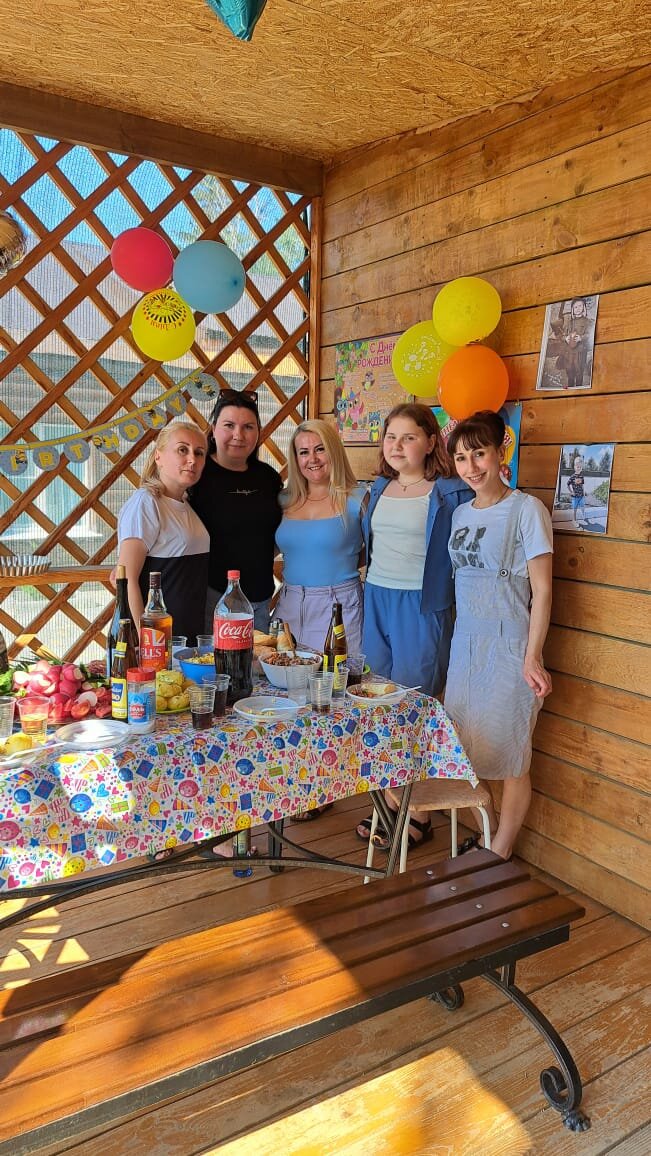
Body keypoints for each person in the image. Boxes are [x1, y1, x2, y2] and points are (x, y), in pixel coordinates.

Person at [356, 402, 472, 848]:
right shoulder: (378, 488)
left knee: (413, 706)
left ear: (429, 442)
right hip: (377, 597)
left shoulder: (449, 492)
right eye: (391, 437)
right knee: (380, 703)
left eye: (408, 437)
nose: (398, 445)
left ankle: (418, 812)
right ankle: (389, 800)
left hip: (422, 605)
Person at [445, 410, 553, 861]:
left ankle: (499, 852)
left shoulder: (526, 510)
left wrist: (533, 656)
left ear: (499, 453)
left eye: (479, 454)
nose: (471, 467)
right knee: (464, 749)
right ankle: (486, 834)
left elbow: (542, 590)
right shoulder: (459, 513)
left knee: (511, 754)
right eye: (461, 457)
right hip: (465, 645)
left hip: (509, 645)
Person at [189, 389, 282, 632]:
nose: (238, 435)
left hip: (260, 599)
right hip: (210, 600)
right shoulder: (196, 474)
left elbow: (280, 532)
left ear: (258, 432)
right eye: (229, 425)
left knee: (257, 658)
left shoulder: (268, 478)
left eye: (248, 427)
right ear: (213, 428)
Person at [275, 419, 366, 654]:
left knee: (339, 674)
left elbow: (376, 551)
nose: (312, 459)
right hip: (289, 604)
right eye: (304, 452)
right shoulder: (283, 500)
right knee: (285, 672)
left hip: (339, 605)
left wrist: (344, 562)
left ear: (334, 450)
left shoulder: (357, 498)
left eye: (320, 449)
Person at [117, 422, 209, 644]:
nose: (192, 459)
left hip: (185, 638)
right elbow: (126, 580)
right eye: (182, 449)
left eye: (199, 453)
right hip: (156, 643)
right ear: (158, 456)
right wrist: (144, 643)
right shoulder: (146, 503)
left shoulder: (185, 504)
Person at [567, 454, 586, 529]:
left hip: (581, 496)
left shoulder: (582, 476)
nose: (579, 468)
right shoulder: (572, 477)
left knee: (582, 506)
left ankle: (583, 514)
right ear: (574, 467)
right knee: (574, 509)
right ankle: (574, 520)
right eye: (577, 466)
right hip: (575, 497)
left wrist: (584, 493)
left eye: (580, 467)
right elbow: (568, 484)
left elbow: (582, 485)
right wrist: (571, 492)